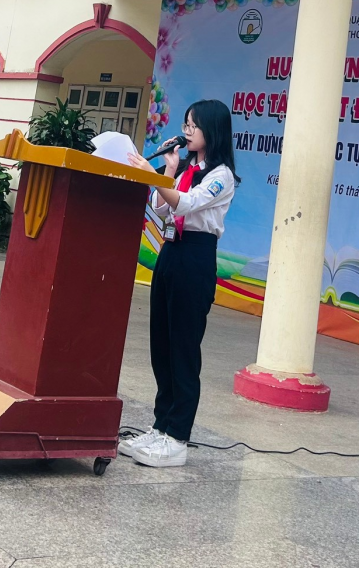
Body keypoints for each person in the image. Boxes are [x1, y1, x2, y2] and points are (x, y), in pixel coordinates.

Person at [121, 99, 238, 468]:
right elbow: (161, 208)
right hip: (170, 252)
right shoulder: (186, 168)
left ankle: (177, 437)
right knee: (162, 344)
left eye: (193, 126)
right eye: (185, 124)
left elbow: (186, 204)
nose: (186, 132)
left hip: (196, 258)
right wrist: (168, 170)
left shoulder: (222, 175)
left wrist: (154, 176)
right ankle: (161, 425)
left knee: (184, 349)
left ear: (212, 131)